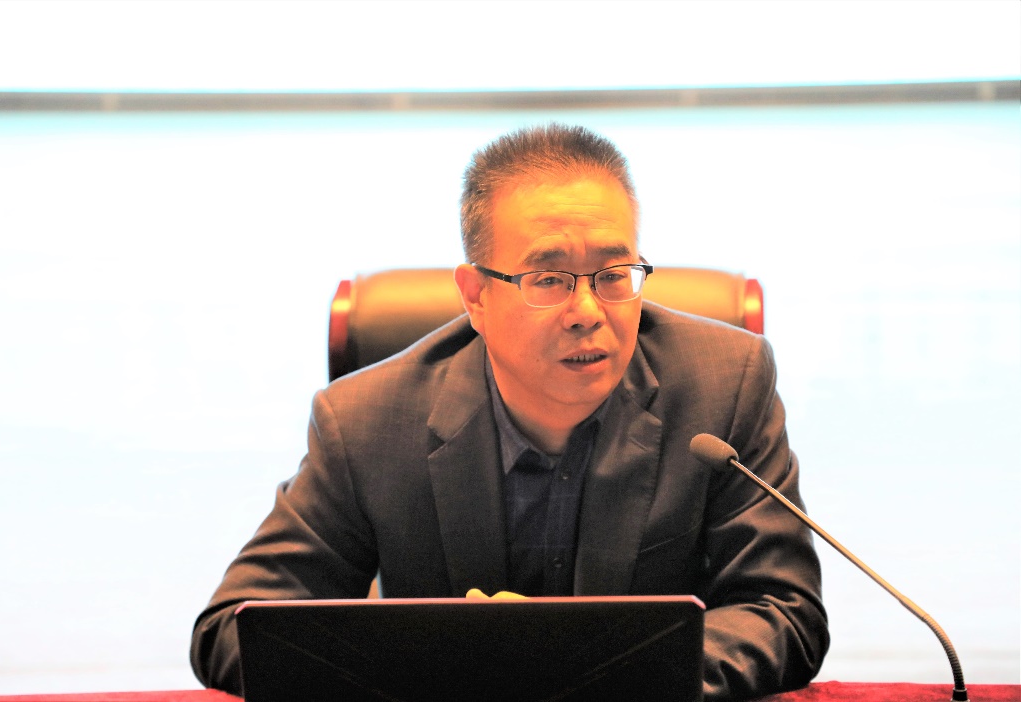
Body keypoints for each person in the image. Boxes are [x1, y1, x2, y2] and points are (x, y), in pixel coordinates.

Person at [190, 124, 829, 699]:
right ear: (475, 296)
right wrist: (459, 667)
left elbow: (784, 611)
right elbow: (231, 630)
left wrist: (595, 674)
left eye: (614, 274)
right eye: (547, 280)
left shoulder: (724, 385)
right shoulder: (365, 423)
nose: (587, 312)